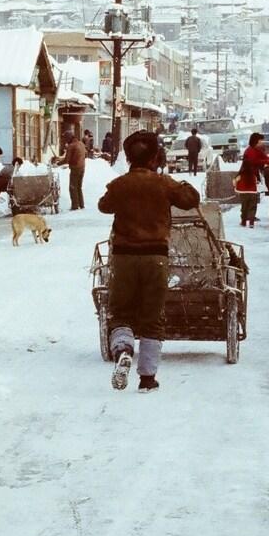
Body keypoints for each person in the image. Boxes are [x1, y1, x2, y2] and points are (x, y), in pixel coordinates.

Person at [99, 130, 200, 393]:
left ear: (129, 157)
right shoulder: (163, 183)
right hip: (156, 258)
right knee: (153, 316)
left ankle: (124, 348)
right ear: (156, 156)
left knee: (121, 312)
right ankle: (147, 378)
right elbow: (191, 200)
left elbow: (104, 206)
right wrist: (179, 185)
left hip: (123, 258)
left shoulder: (120, 184)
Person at [234, 132, 269, 228]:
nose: (262, 143)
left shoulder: (256, 150)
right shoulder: (250, 151)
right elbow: (256, 161)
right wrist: (265, 162)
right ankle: (249, 221)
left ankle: (246, 221)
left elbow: (267, 159)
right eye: (260, 141)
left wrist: (266, 161)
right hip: (250, 181)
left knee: (246, 204)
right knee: (251, 203)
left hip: (250, 182)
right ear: (255, 142)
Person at [61, 132, 88, 210]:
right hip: (82, 168)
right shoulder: (81, 144)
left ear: (68, 138)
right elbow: (86, 155)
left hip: (75, 168)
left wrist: (57, 163)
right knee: (79, 187)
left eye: (66, 139)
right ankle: (81, 204)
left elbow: (66, 160)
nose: (65, 141)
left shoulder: (71, 146)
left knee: (72, 187)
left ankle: (75, 206)